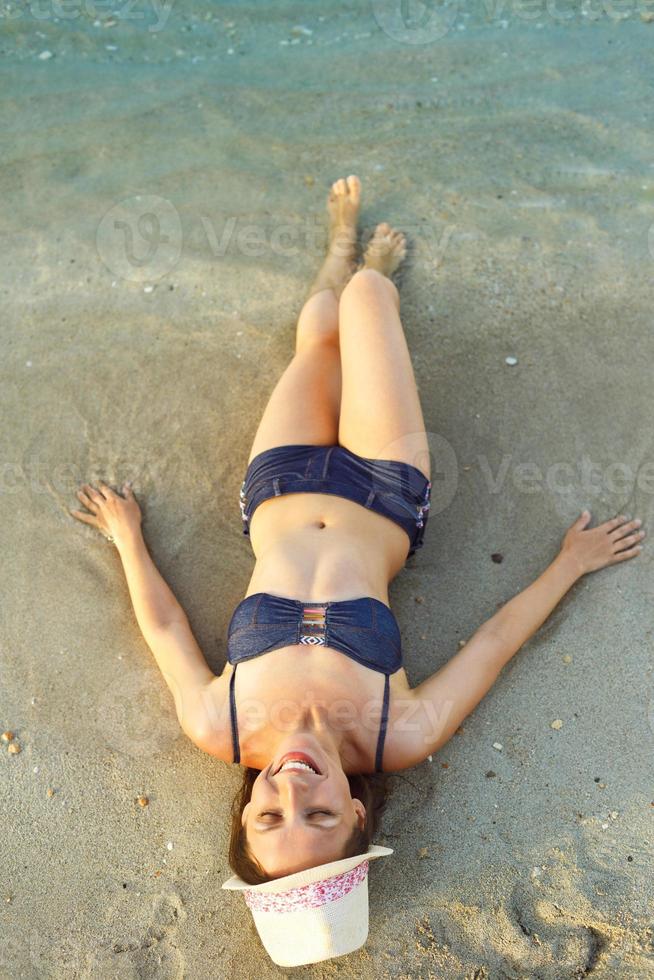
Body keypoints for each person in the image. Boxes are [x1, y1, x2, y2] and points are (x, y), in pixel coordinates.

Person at [70, 175, 645, 966]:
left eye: (270, 818)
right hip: (385, 486)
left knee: (317, 339)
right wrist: (569, 565)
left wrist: (128, 538)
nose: (294, 793)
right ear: (358, 820)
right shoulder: (397, 732)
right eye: (318, 819)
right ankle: (366, 270)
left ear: (243, 820)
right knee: (368, 299)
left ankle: (338, 240)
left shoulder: (219, 723)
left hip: (278, 481)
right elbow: (491, 645)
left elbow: (166, 626)